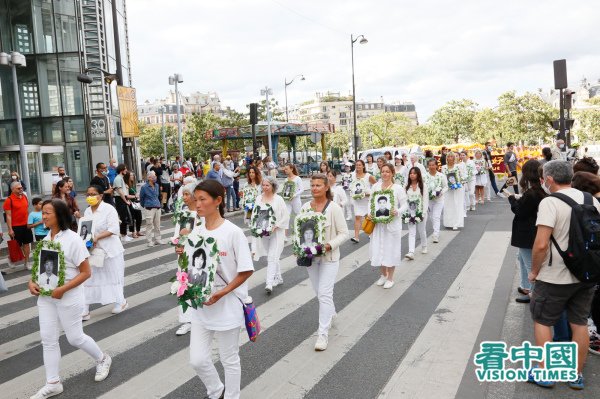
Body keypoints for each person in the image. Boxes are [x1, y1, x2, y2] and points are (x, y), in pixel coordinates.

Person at [173, 180, 254, 399]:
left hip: (227, 303)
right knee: (197, 360)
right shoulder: (195, 232)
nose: (196, 204)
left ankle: (232, 396)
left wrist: (222, 292)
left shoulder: (233, 232)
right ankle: (216, 389)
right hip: (202, 305)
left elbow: (246, 270)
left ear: (218, 201)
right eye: (195, 199)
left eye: (202, 199)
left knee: (229, 359)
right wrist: (182, 255)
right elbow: (191, 269)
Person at [28, 199, 112, 399]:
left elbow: (86, 272)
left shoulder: (73, 239)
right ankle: (53, 382)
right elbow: (39, 271)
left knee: (74, 337)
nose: (43, 216)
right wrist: (31, 283)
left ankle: (102, 358)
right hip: (47, 298)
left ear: (59, 215)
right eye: (43, 213)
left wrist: (63, 288)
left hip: (69, 296)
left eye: (48, 212)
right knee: (48, 340)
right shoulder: (45, 240)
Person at [528, 160, 600, 389]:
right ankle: (575, 375)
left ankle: (544, 372)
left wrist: (534, 271)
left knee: (542, 320)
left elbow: (540, 245)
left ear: (549, 179)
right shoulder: (592, 200)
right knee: (579, 323)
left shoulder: (550, 202)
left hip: (554, 276)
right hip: (586, 274)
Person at [299, 174, 349, 350]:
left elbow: (344, 233)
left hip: (329, 257)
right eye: (312, 185)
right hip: (311, 259)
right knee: (319, 293)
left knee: (325, 293)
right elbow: (300, 230)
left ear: (326, 187)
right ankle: (331, 312)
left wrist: (329, 245)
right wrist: (300, 247)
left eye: (318, 185)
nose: (314, 188)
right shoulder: (305, 207)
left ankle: (322, 334)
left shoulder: (334, 208)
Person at [82, 185, 128, 320]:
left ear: (101, 195)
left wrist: (97, 237)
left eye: (93, 193)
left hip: (110, 249)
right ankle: (85, 308)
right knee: (91, 277)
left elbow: (114, 229)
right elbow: (86, 229)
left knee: (114, 276)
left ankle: (121, 301)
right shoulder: (87, 211)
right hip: (94, 250)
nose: (90, 196)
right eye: (88, 194)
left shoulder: (109, 209)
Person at [505, 160, 546, 304]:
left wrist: (511, 199)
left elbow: (520, 211)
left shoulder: (532, 192)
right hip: (532, 231)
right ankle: (526, 287)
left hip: (528, 233)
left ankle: (534, 294)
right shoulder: (539, 189)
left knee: (530, 264)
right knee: (522, 259)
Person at [369, 164, 407, 289]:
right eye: (383, 171)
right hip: (378, 225)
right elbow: (371, 203)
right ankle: (383, 275)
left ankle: (390, 278)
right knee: (379, 248)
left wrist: (398, 211)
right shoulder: (375, 187)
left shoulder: (398, 188)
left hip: (392, 224)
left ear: (392, 173)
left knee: (391, 249)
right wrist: (369, 213)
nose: (385, 174)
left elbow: (405, 205)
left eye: (387, 171)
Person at [172, 182, 201, 337]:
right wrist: (177, 243)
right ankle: (186, 320)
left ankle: (201, 317)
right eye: (182, 194)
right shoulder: (183, 213)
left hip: (198, 255)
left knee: (198, 284)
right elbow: (178, 233)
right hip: (183, 255)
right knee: (183, 285)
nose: (183, 197)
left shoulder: (201, 214)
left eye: (186, 194)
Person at [252, 176, 289, 294]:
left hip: (276, 232)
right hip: (263, 232)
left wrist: (277, 225)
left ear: (273, 186)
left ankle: (269, 282)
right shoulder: (258, 198)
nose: (265, 187)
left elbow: (285, 215)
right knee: (272, 255)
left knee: (272, 257)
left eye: (267, 185)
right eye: (263, 185)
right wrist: (255, 227)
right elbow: (255, 215)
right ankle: (278, 277)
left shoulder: (278, 199)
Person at [4, 181, 33, 269]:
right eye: (18, 188)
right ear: (12, 189)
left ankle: (26, 262)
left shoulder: (24, 196)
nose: (21, 189)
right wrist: (10, 229)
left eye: (21, 188)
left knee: (27, 244)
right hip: (15, 226)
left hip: (26, 225)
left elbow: (26, 210)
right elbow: (8, 216)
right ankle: (10, 258)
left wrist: (29, 222)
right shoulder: (9, 200)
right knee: (17, 246)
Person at [405, 167, 429, 260]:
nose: (412, 175)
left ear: (418, 175)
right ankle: (411, 252)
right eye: (411, 173)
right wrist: (406, 213)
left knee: (421, 230)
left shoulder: (423, 186)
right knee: (411, 232)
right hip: (410, 213)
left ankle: (424, 246)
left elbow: (425, 200)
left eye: (414, 173)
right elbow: (404, 200)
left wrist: (423, 213)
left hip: (421, 212)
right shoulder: (406, 186)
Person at [350, 159, 377, 243]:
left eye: (359, 165)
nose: (358, 166)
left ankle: (371, 233)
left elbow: (376, 185)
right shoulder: (353, 175)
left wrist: (369, 193)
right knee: (357, 217)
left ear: (363, 166)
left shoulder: (368, 176)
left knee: (368, 217)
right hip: (357, 200)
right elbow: (351, 186)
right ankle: (356, 237)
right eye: (356, 165)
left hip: (367, 199)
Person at [139, 171, 165, 247]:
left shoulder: (157, 185)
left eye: (155, 176)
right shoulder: (144, 187)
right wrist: (145, 205)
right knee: (149, 225)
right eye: (154, 176)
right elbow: (142, 198)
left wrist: (159, 204)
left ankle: (158, 239)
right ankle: (149, 241)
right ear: (149, 178)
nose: (155, 177)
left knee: (157, 224)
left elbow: (158, 195)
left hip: (157, 207)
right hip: (149, 208)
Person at [426, 158, 448, 243]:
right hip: (429, 199)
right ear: (428, 166)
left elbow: (446, 186)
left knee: (436, 216)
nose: (431, 167)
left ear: (436, 166)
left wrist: (440, 193)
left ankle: (435, 234)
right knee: (431, 216)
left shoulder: (441, 176)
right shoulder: (425, 176)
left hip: (439, 199)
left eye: (433, 165)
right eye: (430, 165)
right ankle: (436, 229)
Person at [441, 152, 465, 230]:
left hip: (457, 189)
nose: (450, 158)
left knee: (457, 204)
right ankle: (448, 222)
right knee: (448, 205)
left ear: (454, 158)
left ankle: (456, 223)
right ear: (447, 158)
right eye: (449, 156)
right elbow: (442, 178)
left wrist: (459, 182)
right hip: (448, 189)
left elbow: (463, 176)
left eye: (452, 156)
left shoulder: (458, 166)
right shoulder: (443, 167)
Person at [112, 164, 134, 242]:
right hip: (120, 199)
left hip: (123, 199)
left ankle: (124, 234)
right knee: (123, 218)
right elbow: (120, 192)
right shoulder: (118, 178)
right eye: (125, 169)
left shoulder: (121, 178)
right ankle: (123, 235)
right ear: (121, 170)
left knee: (125, 217)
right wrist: (125, 200)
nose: (126, 170)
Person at [282, 163, 304, 241]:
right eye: (284, 169)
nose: (285, 170)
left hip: (296, 200)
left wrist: (294, 195)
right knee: (286, 216)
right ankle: (284, 236)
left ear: (291, 169)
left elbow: (302, 189)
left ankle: (300, 233)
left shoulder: (297, 178)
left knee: (298, 215)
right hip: (287, 201)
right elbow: (285, 190)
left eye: (286, 169)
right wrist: (284, 195)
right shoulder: (286, 179)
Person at [125, 172, 144, 238]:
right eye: (131, 175)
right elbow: (126, 195)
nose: (132, 176)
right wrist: (135, 196)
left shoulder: (133, 184)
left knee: (139, 217)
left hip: (136, 203)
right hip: (130, 203)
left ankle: (138, 231)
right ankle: (133, 233)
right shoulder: (126, 185)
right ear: (127, 176)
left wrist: (137, 196)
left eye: (133, 175)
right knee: (132, 218)